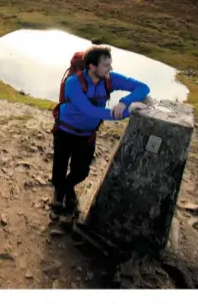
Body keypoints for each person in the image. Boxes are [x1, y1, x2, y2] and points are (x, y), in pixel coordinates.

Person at [52, 45, 150, 212]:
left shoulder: (109, 79)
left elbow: (143, 87)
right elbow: (89, 110)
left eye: (110, 64)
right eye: (106, 65)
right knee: (59, 168)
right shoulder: (73, 83)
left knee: (81, 170)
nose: (110, 68)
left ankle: (65, 189)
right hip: (65, 131)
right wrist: (128, 112)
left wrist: (124, 101)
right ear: (92, 67)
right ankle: (60, 194)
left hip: (87, 134)